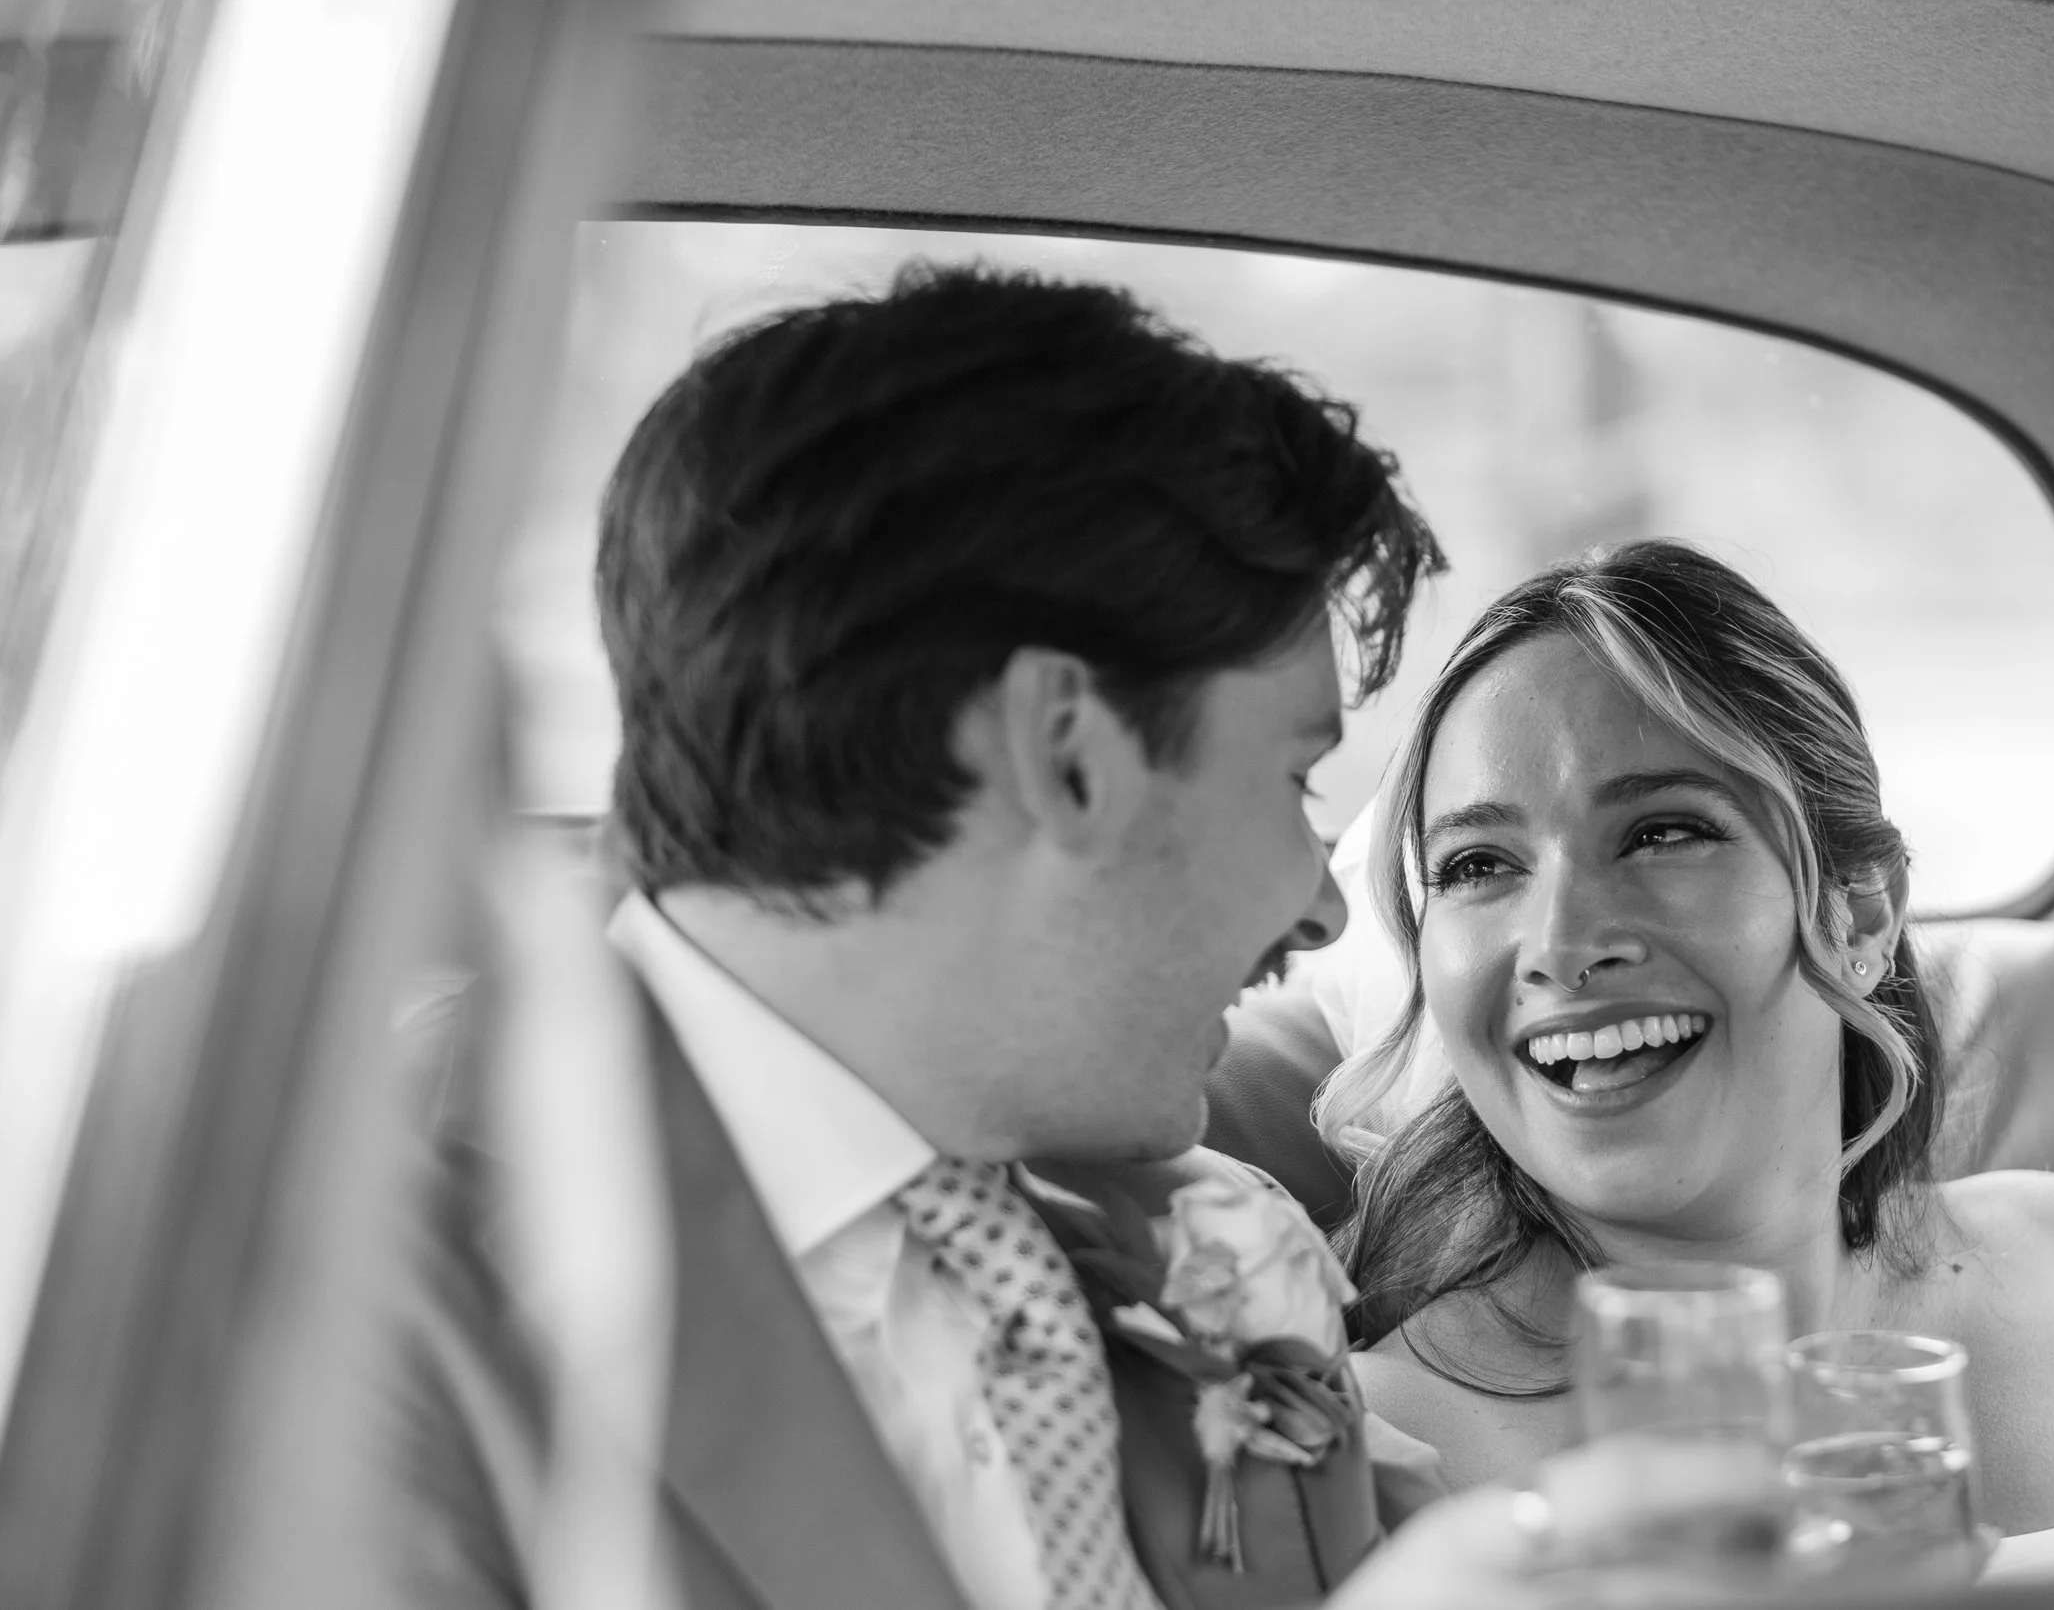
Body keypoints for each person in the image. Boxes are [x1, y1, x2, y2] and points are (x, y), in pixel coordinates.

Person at [382, 264, 1694, 1610]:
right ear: (1068, 753)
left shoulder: (1220, 1248)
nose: (1323, 901)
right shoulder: (368, 1301)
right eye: (1295, 778)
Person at [1311, 539, 2054, 1591]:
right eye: (1479, 865)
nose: (1562, 940)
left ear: (1860, 910)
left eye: (1660, 832)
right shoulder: (1384, 1451)